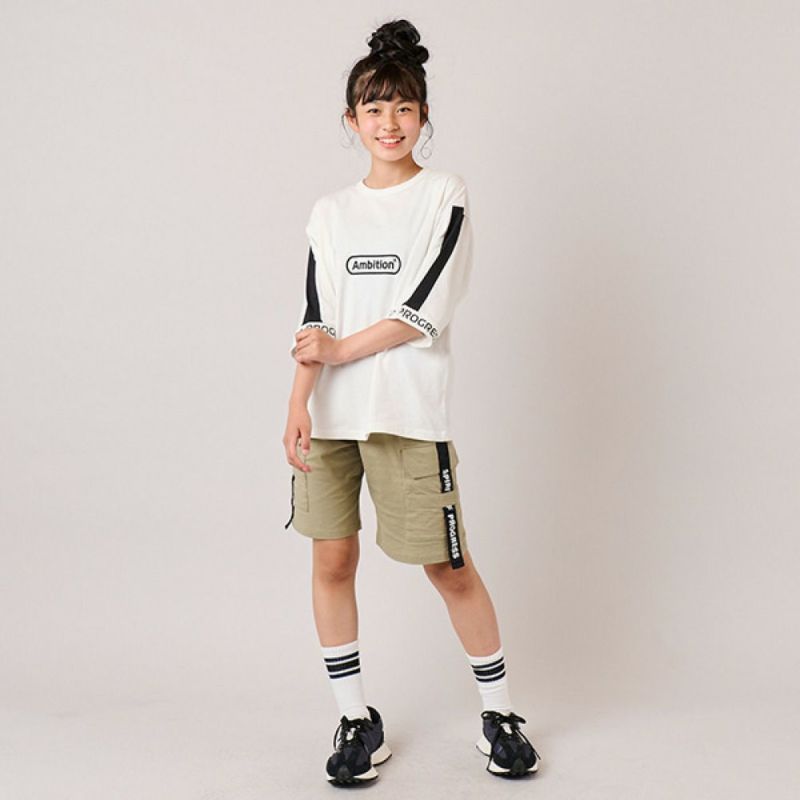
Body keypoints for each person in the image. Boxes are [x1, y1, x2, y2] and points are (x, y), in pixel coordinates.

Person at [281, 18, 541, 786]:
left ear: (423, 115)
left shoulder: (443, 195)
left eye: (403, 107)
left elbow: (426, 308)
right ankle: (355, 720)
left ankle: (499, 716)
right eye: (373, 108)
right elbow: (315, 316)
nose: (388, 122)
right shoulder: (329, 212)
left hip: (407, 414)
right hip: (332, 419)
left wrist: (340, 352)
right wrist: (298, 400)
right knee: (333, 560)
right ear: (351, 120)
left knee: (449, 567)